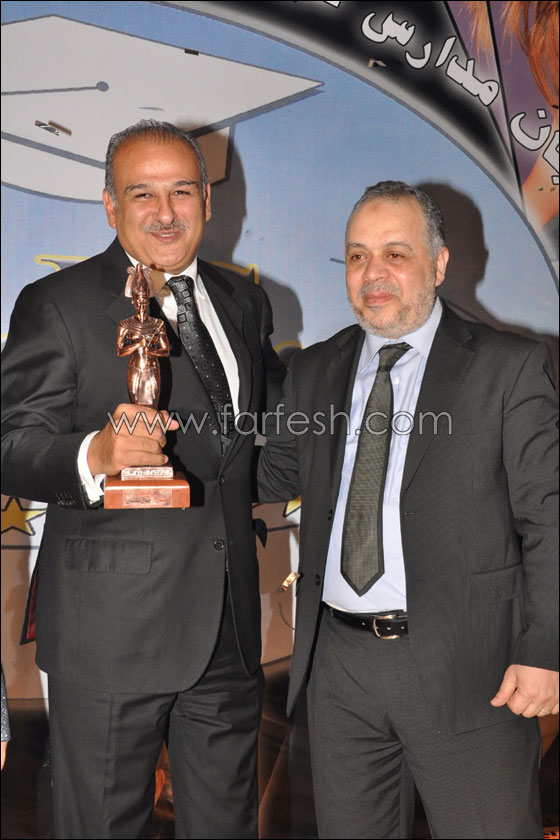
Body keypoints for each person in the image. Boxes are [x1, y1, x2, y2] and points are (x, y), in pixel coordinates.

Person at [1, 120, 285, 839]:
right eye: (142, 194)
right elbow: (10, 445)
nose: (165, 212)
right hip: (110, 636)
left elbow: (260, 432)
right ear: (110, 206)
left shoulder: (245, 302)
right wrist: (94, 455)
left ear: (208, 201)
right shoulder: (57, 304)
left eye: (182, 191)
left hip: (228, 634)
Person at [257, 181, 559, 839]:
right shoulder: (315, 370)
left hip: (470, 668)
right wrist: (160, 438)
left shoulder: (508, 368)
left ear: (439, 264)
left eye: (396, 254)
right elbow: (267, 472)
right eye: (357, 256)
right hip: (339, 670)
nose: (373, 274)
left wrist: (547, 650)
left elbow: (550, 517)